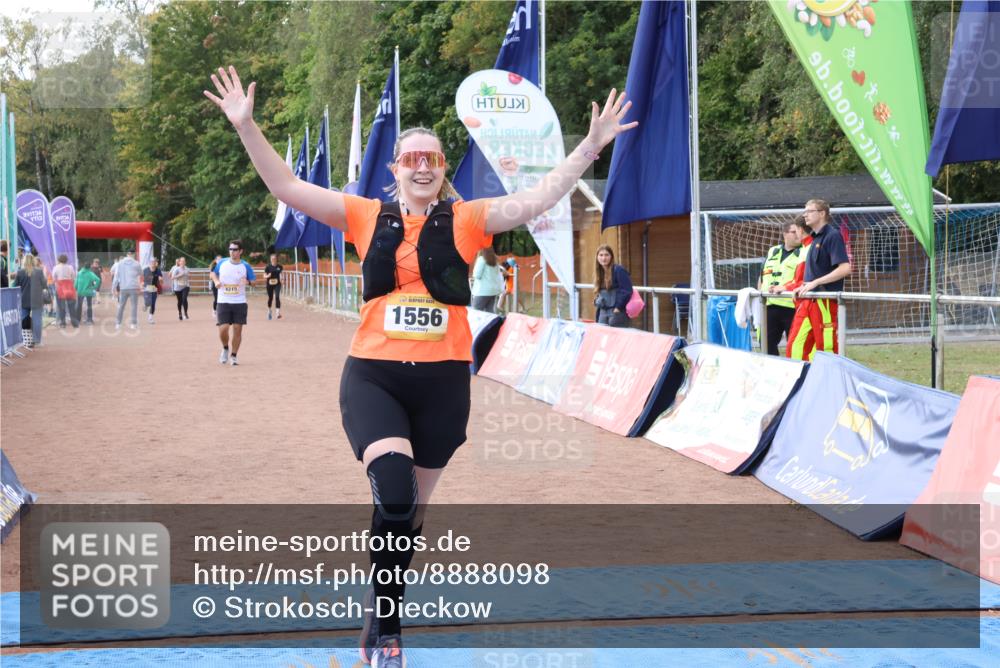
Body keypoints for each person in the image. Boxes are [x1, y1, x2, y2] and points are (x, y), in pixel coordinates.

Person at [205, 64, 635, 667]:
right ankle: (389, 635)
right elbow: (287, 187)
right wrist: (247, 127)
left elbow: (537, 198)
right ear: (395, 171)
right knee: (396, 494)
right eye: (412, 159)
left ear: (442, 167)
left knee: (408, 517)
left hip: (441, 386)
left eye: (432, 157)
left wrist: (589, 146)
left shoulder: (468, 218)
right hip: (375, 375)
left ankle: (377, 615)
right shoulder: (362, 215)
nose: (423, 166)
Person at [787, 199, 851, 360]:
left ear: (822, 214)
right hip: (808, 300)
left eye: (809, 211)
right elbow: (812, 275)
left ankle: (830, 382)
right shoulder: (814, 238)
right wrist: (801, 287)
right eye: (805, 211)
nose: (805, 214)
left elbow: (845, 268)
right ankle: (803, 381)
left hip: (824, 301)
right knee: (795, 346)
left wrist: (816, 283)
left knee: (826, 348)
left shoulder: (832, 236)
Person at [759, 221, 805, 355]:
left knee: (795, 344)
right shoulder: (773, 250)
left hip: (793, 306)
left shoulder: (804, 252)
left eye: (799, 232)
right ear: (785, 234)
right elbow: (762, 276)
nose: (798, 235)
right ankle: (775, 370)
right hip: (770, 305)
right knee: (765, 343)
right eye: (794, 232)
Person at [211, 239, 256, 365]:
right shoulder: (222, 263)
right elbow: (213, 274)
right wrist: (216, 282)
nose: (232, 252)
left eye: (235, 250)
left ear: (240, 251)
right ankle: (225, 348)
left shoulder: (245, 265)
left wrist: (247, 282)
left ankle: (234, 355)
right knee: (223, 328)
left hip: (239, 302)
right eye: (230, 249)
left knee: (237, 329)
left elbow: (254, 281)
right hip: (223, 300)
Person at [593, 245, 632, 327]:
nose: (604, 258)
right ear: (597, 257)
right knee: (602, 334)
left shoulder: (618, 270)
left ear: (611, 256)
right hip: (603, 311)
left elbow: (627, 290)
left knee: (617, 337)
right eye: (601, 255)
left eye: (606, 255)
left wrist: (618, 308)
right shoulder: (599, 272)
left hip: (616, 311)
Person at [13, 254, 46, 347]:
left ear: (24, 261)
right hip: (37, 299)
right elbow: (44, 284)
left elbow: (15, 286)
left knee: (23, 319)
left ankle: (24, 339)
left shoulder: (20, 272)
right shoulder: (39, 272)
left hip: (24, 299)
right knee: (37, 320)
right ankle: (37, 340)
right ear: (34, 261)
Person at [113, 249, 143, 330]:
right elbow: (141, 273)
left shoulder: (120, 263)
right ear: (134, 254)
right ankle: (133, 324)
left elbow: (116, 277)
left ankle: (118, 323)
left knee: (121, 306)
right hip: (133, 287)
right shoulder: (136, 263)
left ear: (127, 254)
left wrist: (113, 289)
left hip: (123, 287)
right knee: (134, 306)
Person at [470, 248, 504, 313]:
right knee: (489, 313)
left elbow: (477, 275)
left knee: (475, 312)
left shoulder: (481, 259)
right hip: (493, 291)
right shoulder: (495, 260)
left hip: (482, 291)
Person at [52, 254, 80, 328]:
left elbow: (54, 277)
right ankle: (74, 323)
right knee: (71, 306)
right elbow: (73, 277)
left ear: (59, 260)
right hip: (69, 287)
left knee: (61, 306)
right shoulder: (70, 267)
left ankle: (62, 323)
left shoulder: (56, 267)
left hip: (60, 287)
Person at [143, 258, 163, 324]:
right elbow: (141, 278)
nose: (153, 264)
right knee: (148, 302)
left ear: (155, 263)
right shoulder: (145, 270)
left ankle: (150, 318)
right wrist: (141, 284)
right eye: (151, 262)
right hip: (146, 288)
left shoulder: (158, 271)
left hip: (154, 288)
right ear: (149, 263)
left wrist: (161, 280)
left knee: (153, 303)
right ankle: (146, 305)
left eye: (154, 262)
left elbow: (161, 280)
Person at [264, 253, 283, 320]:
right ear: (270, 259)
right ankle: (269, 310)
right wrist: (267, 276)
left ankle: (277, 313)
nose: (273, 260)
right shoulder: (268, 267)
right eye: (272, 259)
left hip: (277, 284)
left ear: (276, 259)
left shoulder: (279, 266)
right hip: (269, 284)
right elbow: (264, 276)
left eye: (274, 259)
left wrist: (281, 279)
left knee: (277, 296)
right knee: (270, 298)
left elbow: (280, 274)